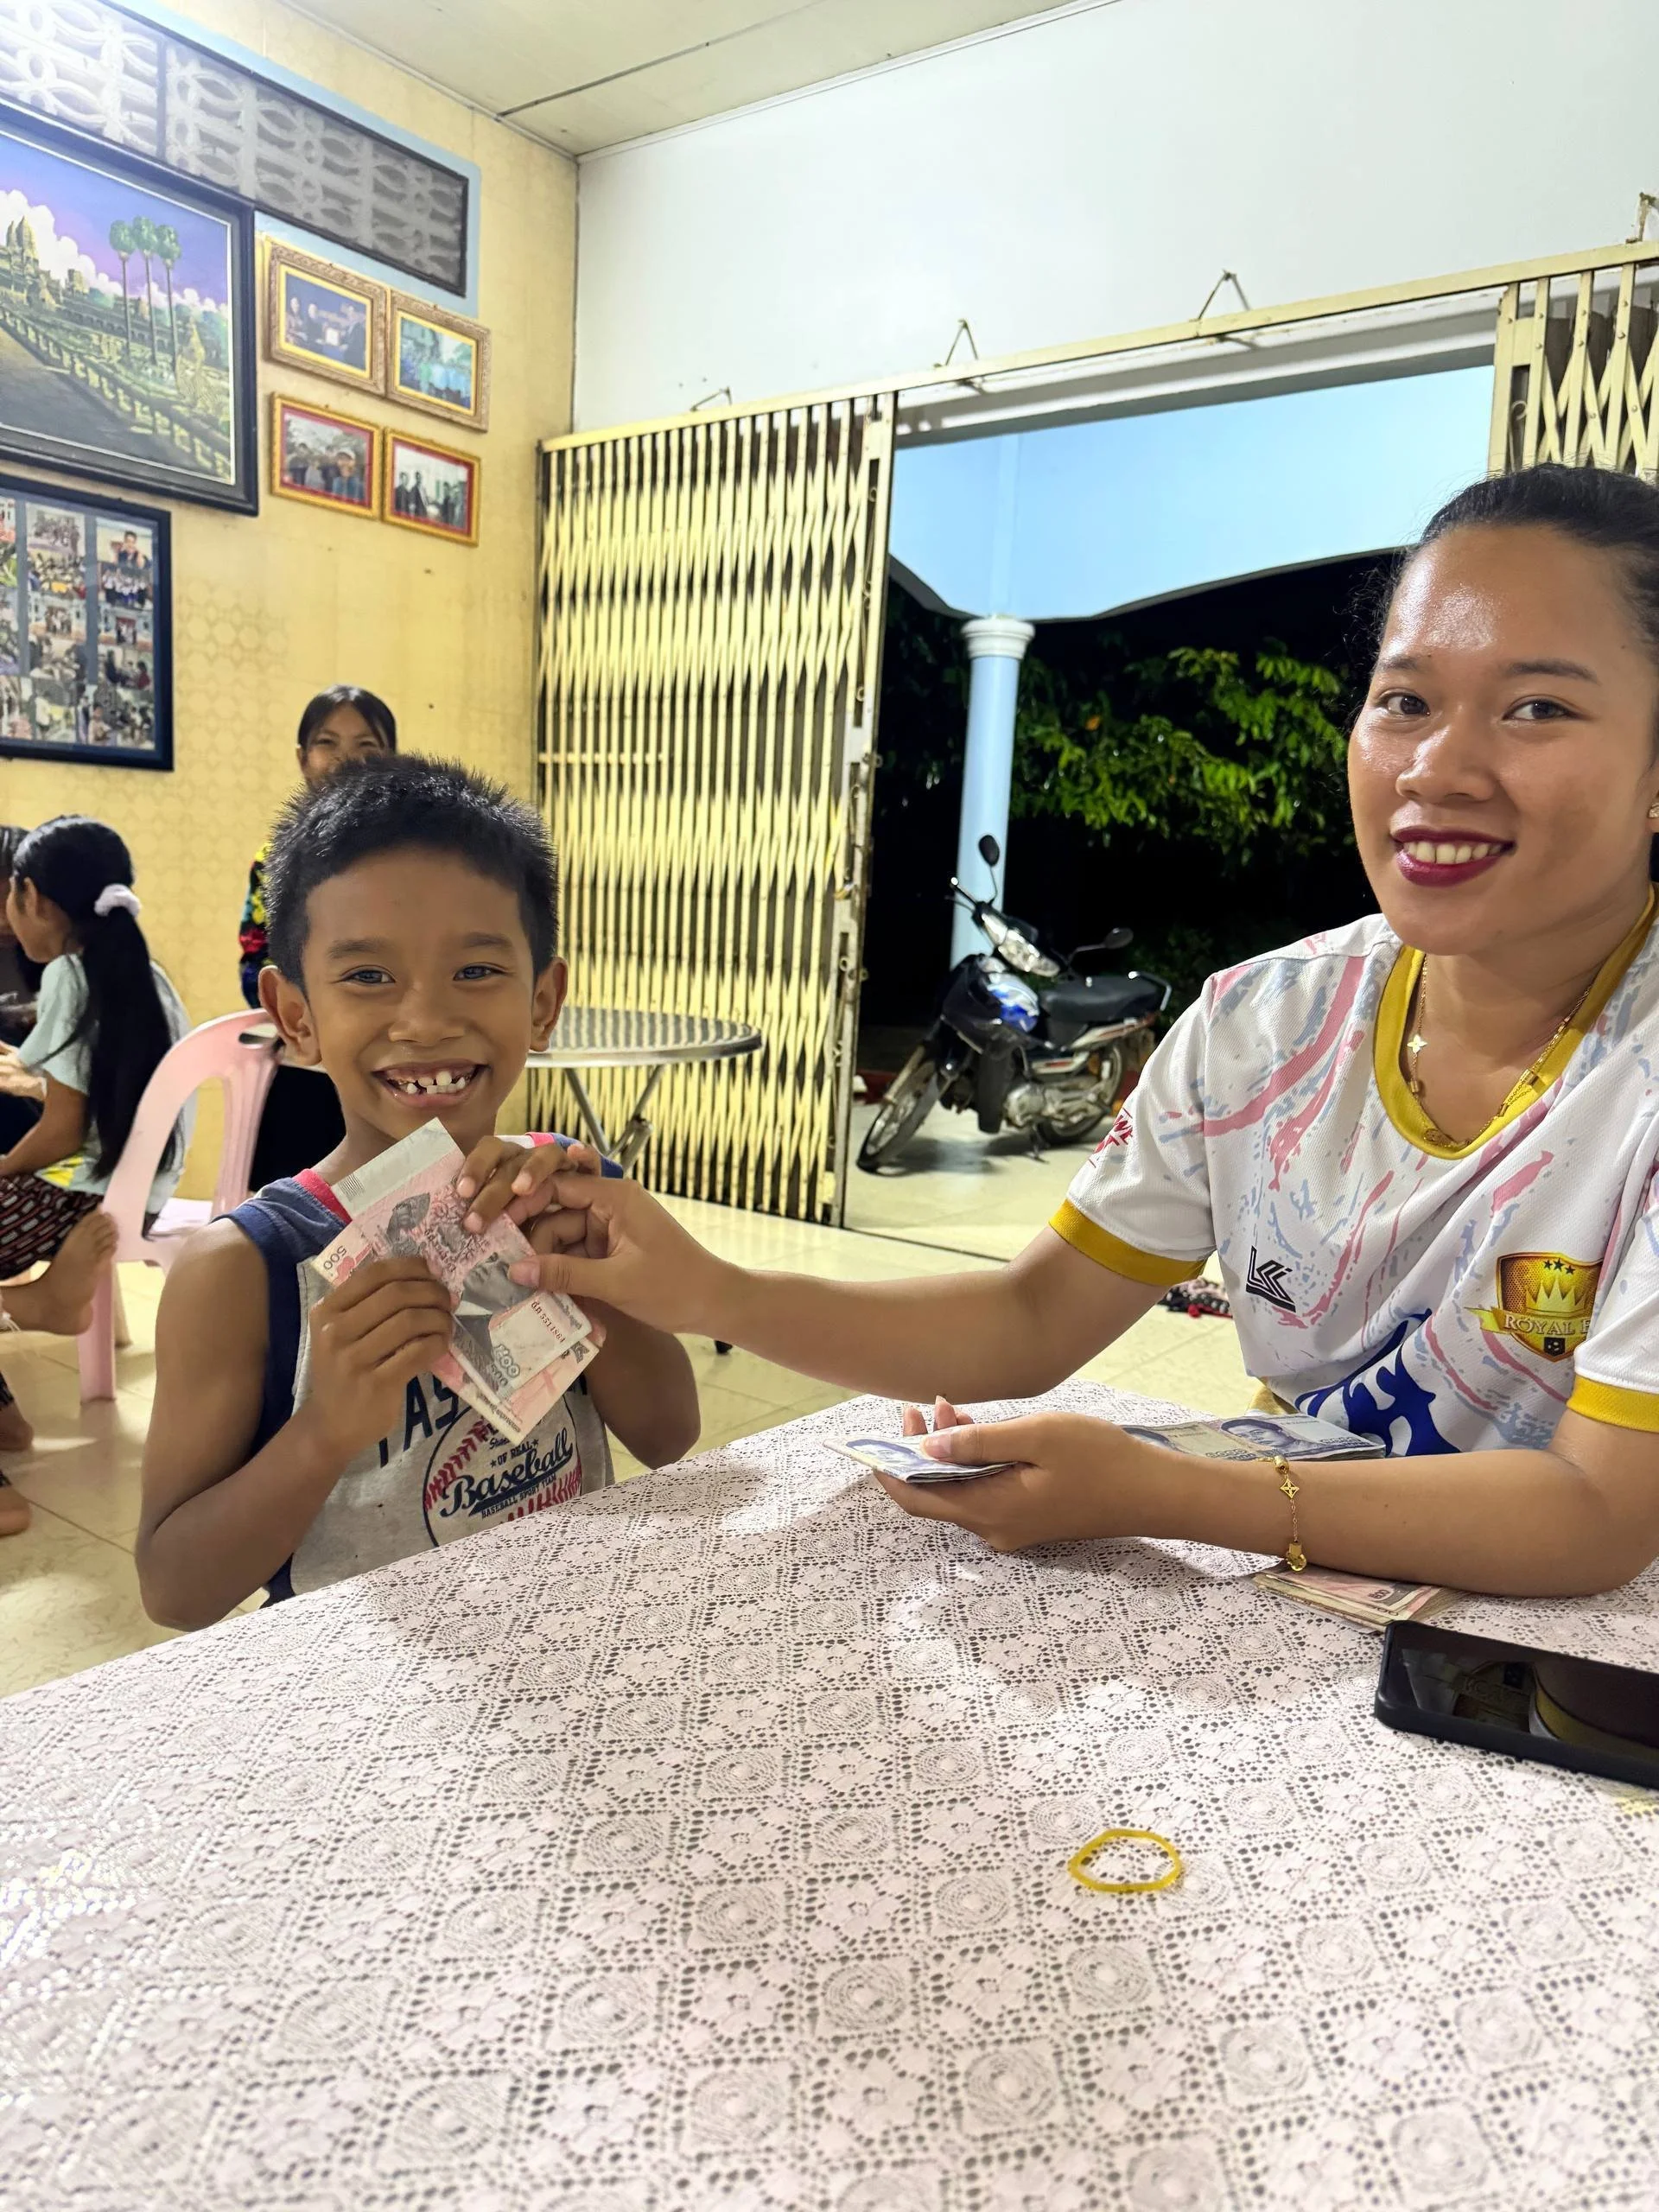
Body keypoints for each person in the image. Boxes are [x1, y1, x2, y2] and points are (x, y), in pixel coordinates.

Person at [505, 462, 1659, 1601]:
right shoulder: (1265, 1026)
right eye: (1404, 700)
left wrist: (1158, 1489)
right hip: (1313, 1617)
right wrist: (713, 1291)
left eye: (1538, 708)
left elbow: (1596, 1517)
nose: (1437, 766)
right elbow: (1032, 1315)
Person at [137, 756, 698, 1627]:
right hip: (370, 1705)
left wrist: (597, 1294)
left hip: (579, 1637)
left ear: (544, 1001)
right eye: (367, 976)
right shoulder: (243, 1270)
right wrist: (323, 1430)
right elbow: (174, 1588)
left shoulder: (576, 1197)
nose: (427, 1020)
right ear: (296, 1016)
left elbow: (670, 1434)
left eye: (476, 970)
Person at [0, 818, 191, 1535]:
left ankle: (40, 1303)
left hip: (80, 1199)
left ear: (35, 898)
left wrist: (4, 1167)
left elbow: (59, 1131)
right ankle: (8, 1417)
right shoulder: (143, 973)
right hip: (136, 1195)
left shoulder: (68, 977)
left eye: (13, 898)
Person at [242, 687, 397, 1188]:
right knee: (297, 1214)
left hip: (393, 1064)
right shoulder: (277, 856)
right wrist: (319, 1018)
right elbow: (254, 959)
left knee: (393, 1210)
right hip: (306, 1067)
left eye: (366, 746)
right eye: (328, 743)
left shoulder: (411, 857)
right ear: (304, 759)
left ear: (390, 759)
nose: (346, 759)